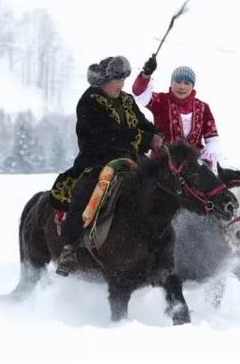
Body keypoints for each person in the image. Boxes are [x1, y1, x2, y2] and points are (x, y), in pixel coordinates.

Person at [49, 55, 163, 276]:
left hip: (132, 160)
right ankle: (69, 247)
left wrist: (157, 134)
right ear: (104, 80)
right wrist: (147, 140)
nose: (121, 85)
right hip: (97, 160)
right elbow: (110, 134)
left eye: (123, 79)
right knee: (87, 191)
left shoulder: (127, 100)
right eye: (117, 80)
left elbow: (143, 124)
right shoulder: (89, 100)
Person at [132, 55, 221, 168]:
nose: (181, 86)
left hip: (192, 167)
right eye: (178, 82)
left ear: (192, 86)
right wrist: (146, 75)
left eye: (186, 83)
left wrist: (205, 163)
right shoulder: (160, 100)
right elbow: (139, 92)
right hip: (162, 164)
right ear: (171, 83)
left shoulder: (203, 107)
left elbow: (212, 140)